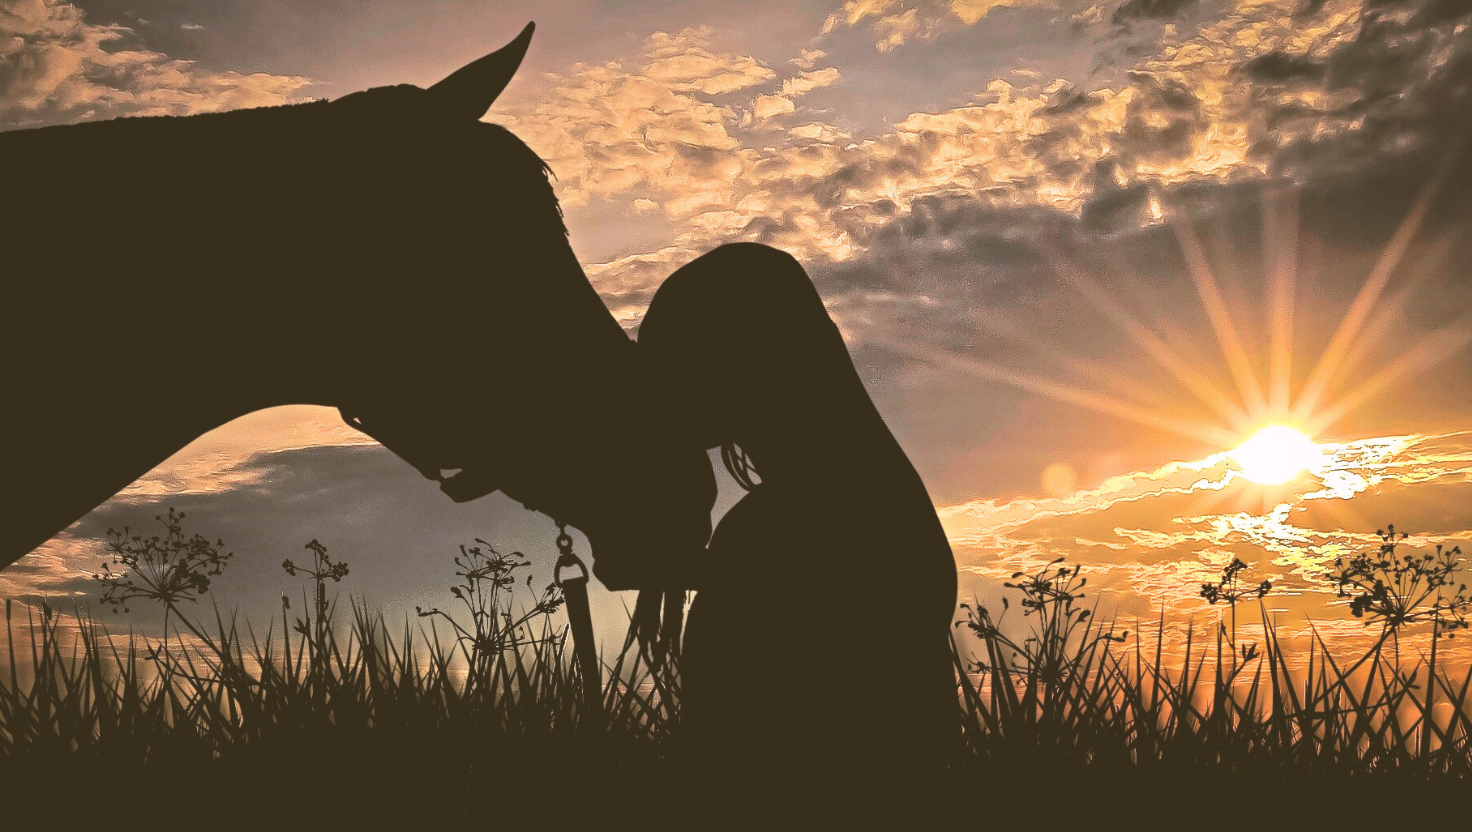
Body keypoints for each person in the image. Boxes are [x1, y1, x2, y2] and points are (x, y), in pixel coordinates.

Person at [637, 242, 961, 789]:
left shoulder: (767, 534)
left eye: (672, 359)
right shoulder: (884, 499)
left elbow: (723, 764)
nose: (656, 388)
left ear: (735, 360)